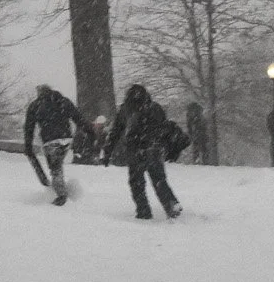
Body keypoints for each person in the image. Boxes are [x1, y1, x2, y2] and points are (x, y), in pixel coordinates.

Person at [105, 83, 182, 219]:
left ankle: (143, 210)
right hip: (154, 148)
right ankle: (171, 205)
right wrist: (170, 148)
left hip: (135, 149)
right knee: (159, 180)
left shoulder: (125, 110)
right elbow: (165, 128)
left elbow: (115, 132)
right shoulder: (155, 107)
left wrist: (107, 152)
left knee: (137, 183)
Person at [24, 83, 86, 205]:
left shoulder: (35, 105)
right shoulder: (63, 101)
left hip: (50, 141)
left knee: (55, 168)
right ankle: (62, 188)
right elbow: (78, 118)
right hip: (66, 139)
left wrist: (28, 145)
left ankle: (61, 195)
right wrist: (89, 131)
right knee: (57, 165)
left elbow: (29, 128)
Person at [184, 100, 207, 164]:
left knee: (197, 146)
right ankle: (203, 160)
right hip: (200, 132)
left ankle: (197, 160)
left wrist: (190, 133)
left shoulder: (190, 113)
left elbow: (189, 125)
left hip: (197, 132)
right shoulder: (198, 112)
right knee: (202, 147)